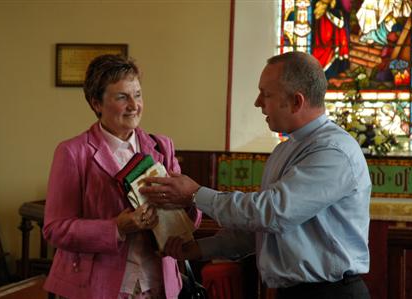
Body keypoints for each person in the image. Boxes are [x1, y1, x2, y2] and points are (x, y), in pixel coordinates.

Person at [140, 52, 372, 299]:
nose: (257, 102)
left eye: (267, 94)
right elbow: (260, 229)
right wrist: (197, 248)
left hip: (329, 293)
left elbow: (273, 212)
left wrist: (196, 195)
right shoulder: (285, 150)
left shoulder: (333, 151)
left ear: (296, 101)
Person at [43, 54, 201, 299]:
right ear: (97, 103)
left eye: (137, 95)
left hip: (158, 285)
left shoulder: (162, 147)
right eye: (121, 97)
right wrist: (116, 227)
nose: (134, 105)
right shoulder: (73, 153)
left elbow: (189, 221)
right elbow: (56, 229)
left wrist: (186, 202)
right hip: (99, 288)